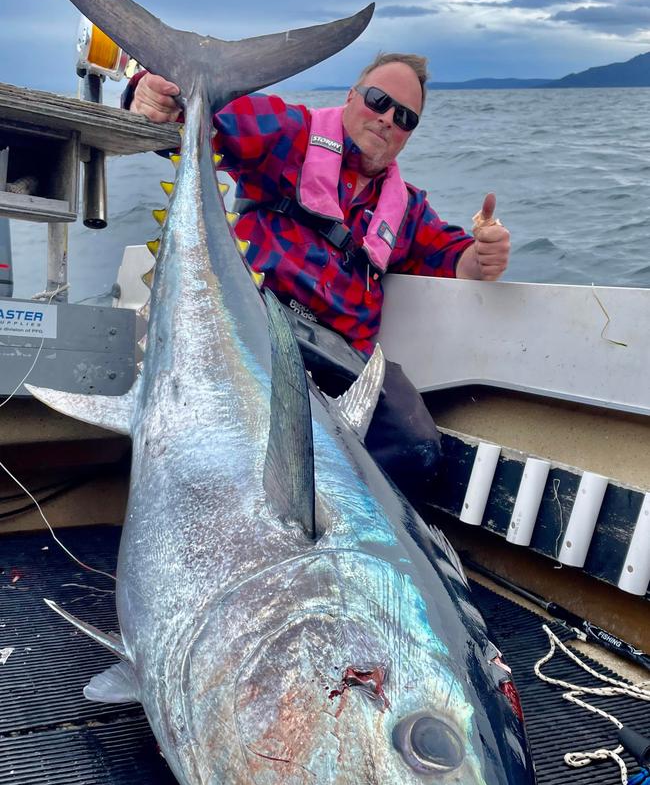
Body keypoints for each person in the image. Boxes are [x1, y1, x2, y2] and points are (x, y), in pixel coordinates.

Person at [123, 53, 510, 511]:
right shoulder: (291, 134)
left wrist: (484, 254)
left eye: (404, 118)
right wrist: (149, 91)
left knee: (416, 447)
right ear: (351, 96)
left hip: (339, 357)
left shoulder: (406, 208)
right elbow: (201, 122)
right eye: (379, 100)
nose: (388, 119)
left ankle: (348, 538)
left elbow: (455, 260)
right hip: (255, 322)